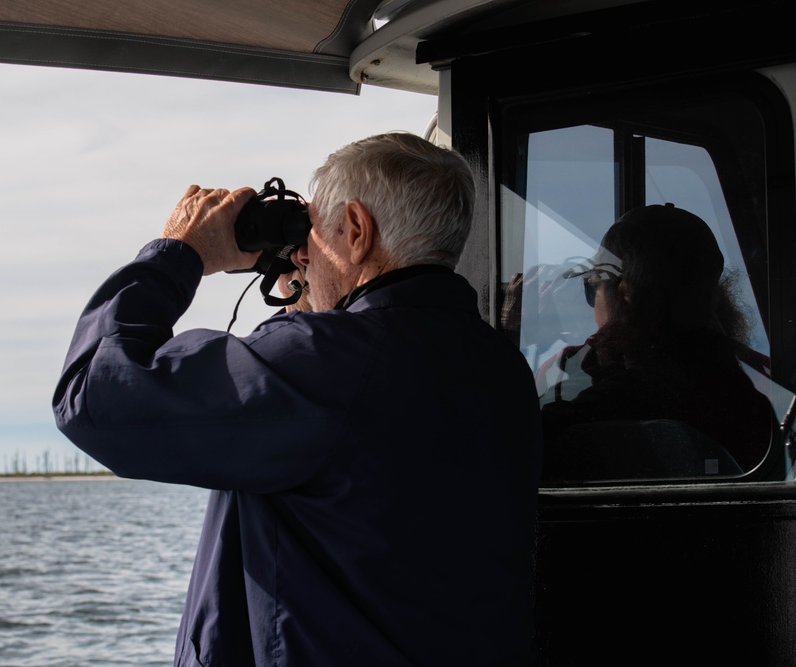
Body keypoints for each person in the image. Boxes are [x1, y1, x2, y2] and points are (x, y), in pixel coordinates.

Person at [53, 132, 544, 666]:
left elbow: (92, 395)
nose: (303, 251)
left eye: (312, 231)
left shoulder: (328, 364)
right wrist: (312, 300)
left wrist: (178, 254)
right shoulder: (499, 364)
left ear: (356, 230)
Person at [538, 203, 776, 482]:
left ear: (624, 294)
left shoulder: (616, 393)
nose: (592, 307)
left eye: (592, 288)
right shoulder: (751, 400)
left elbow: (519, 441)